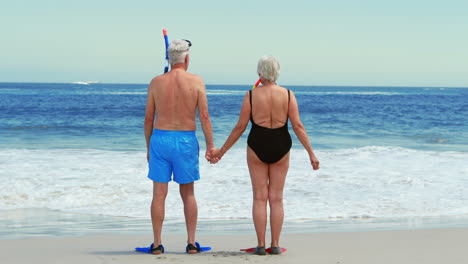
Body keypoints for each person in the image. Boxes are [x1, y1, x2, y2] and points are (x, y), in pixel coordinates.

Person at [211, 56, 320, 255]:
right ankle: (276, 244)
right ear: (277, 72)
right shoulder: (288, 95)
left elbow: (240, 127)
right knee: (276, 198)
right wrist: (311, 153)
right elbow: (297, 126)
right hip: (281, 144)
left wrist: (221, 151)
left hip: (257, 143)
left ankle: (261, 245)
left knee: (260, 198)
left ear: (260, 73)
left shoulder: (251, 95)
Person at [144, 39, 215, 254]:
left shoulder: (156, 82)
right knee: (188, 193)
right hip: (185, 139)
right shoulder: (196, 81)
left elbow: (148, 119)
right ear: (186, 58)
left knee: (159, 194)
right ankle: (192, 243)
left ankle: (157, 244)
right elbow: (204, 116)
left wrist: (149, 147)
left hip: (160, 138)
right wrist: (210, 145)